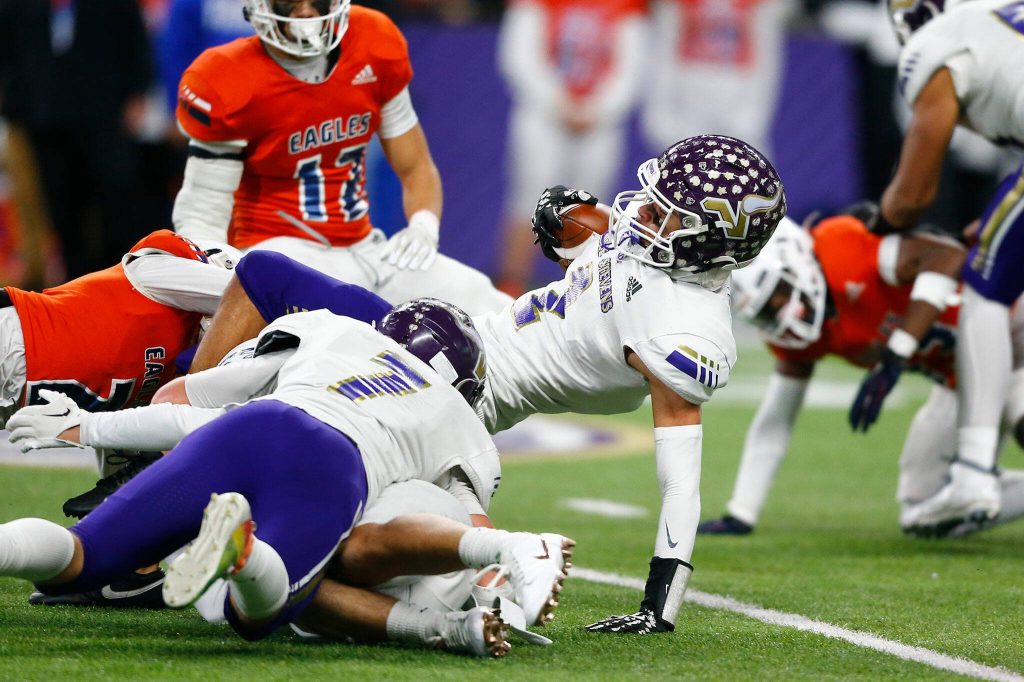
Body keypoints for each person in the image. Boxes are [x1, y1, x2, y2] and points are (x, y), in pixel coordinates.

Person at [182, 134, 788, 634]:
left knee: (298, 451)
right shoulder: (660, 245)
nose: (642, 212)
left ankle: (181, 473)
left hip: (462, 396)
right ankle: (177, 463)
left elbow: (679, 480)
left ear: (709, 242)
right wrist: (571, 225)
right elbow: (593, 262)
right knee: (265, 279)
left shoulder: (684, 334)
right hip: (457, 332)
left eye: (665, 212)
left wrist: (660, 604)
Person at [1, 302, 571, 651]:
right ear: (460, 382)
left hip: (251, 426)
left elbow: (194, 414)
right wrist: (499, 581)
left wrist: (86, 428)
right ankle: (242, 554)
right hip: (333, 465)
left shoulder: (337, 333)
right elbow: (471, 529)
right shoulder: (457, 420)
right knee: (254, 617)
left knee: (76, 561)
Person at [170, 0, 510, 315]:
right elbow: (203, 210)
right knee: (339, 330)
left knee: (480, 298)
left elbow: (416, 166)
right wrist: (220, 281)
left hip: (363, 247)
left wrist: (423, 225)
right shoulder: (224, 76)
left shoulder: (372, 41)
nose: (305, 12)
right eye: (291, 1)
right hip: (278, 254)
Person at [697, 216, 1024, 538]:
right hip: (964, 381)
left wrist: (898, 349)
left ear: (794, 258)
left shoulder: (839, 249)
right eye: (767, 313)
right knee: (925, 512)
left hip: (1009, 324)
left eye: (778, 296)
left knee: (1019, 408)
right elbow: (776, 419)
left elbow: (947, 255)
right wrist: (742, 511)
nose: (783, 316)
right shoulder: (801, 337)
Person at [853, 0, 1024, 533]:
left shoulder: (941, 42)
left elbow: (913, 196)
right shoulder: (993, 24)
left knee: (983, 291)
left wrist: (877, 221)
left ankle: (973, 470)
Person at [494, 0, 647, 295]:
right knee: (528, 201)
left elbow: (633, 66)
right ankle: (509, 289)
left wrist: (600, 108)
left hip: (600, 122)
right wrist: (557, 103)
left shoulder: (626, 6)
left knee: (592, 208)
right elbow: (519, 57)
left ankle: (585, 293)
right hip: (543, 117)